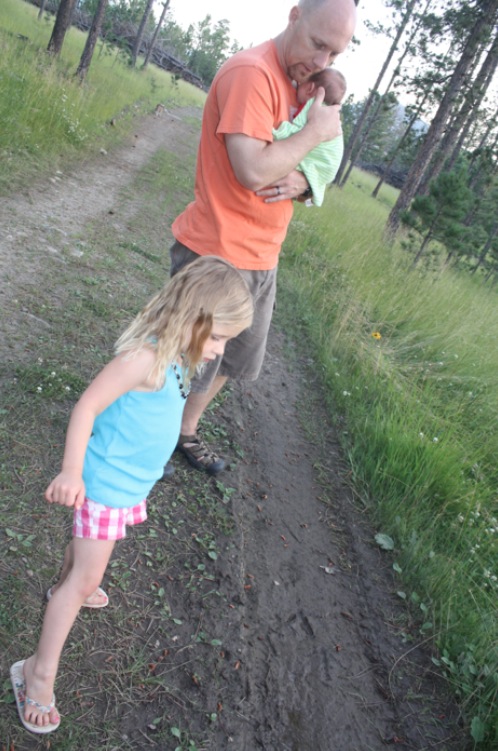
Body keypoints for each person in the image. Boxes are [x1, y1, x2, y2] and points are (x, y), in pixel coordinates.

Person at [10, 256, 253, 734]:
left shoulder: (181, 354)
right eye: (219, 337)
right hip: (104, 486)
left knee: (82, 569)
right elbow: (88, 405)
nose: (220, 351)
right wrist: (71, 472)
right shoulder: (145, 357)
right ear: (191, 318)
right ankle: (36, 674)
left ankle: (67, 581)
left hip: (128, 486)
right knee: (84, 581)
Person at [166, 0, 356, 477]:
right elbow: (252, 170)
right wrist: (312, 135)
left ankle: (182, 433)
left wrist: (309, 181)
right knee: (180, 362)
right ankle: (145, 437)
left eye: (333, 54)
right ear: (294, 16)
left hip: (261, 255)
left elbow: (305, 162)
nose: (321, 64)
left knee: (232, 360)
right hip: (215, 253)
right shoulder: (253, 74)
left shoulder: (305, 87)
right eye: (317, 44)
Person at [273, 68, 347, 207]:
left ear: (310, 88)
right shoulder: (330, 114)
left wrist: (274, 131)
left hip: (316, 164)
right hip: (326, 169)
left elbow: (293, 132)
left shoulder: (312, 107)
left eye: (301, 84)